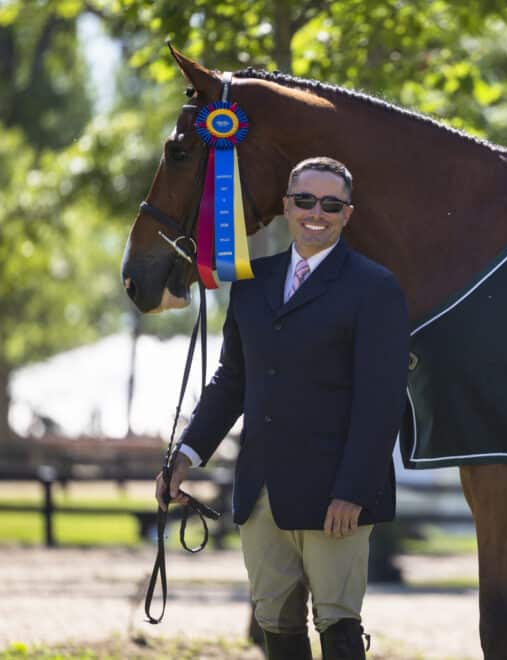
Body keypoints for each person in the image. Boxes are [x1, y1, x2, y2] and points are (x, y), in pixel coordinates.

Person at [156, 156, 410, 660]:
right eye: (306, 201)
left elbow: (381, 402)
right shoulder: (251, 282)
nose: (317, 212)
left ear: (347, 213)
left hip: (336, 496)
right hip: (262, 489)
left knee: (338, 622)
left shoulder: (375, 287)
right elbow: (231, 381)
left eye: (331, 204)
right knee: (276, 621)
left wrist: (353, 492)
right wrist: (184, 455)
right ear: (286, 206)